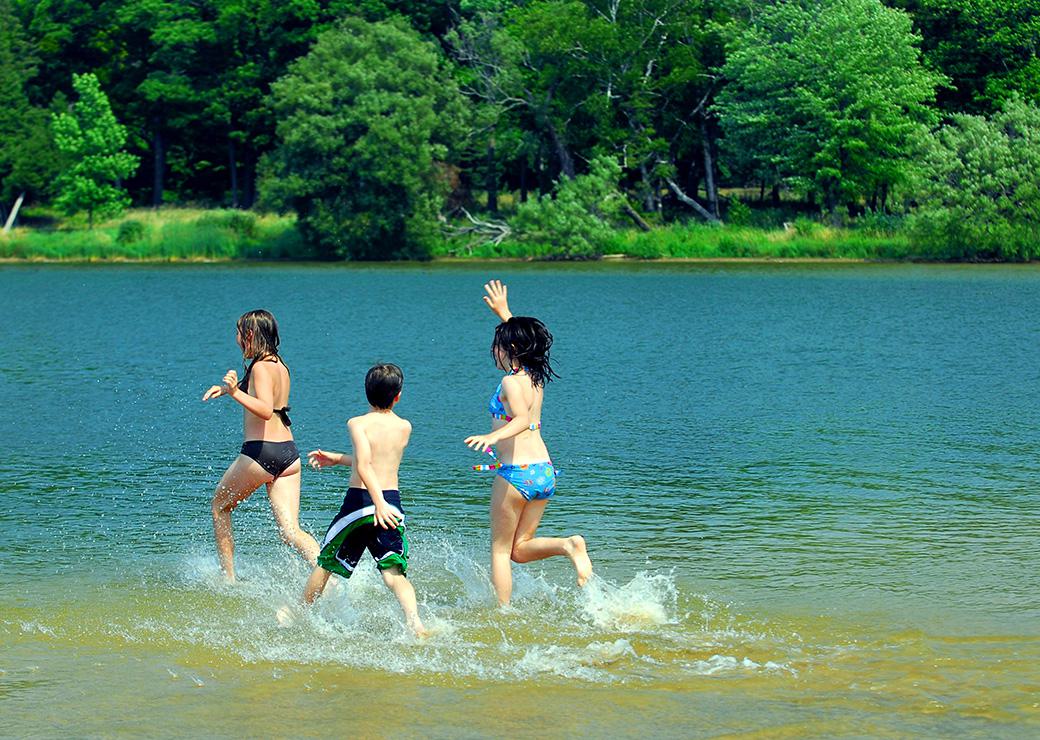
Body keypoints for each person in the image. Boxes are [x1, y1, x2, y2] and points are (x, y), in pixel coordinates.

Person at [465, 280, 593, 607]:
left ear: (510, 350)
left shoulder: (510, 381)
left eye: (497, 345)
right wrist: (504, 313)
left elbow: (520, 419)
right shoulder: (535, 375)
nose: (493, 350)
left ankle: (503, 613)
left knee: (499, 550)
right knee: (519, 549)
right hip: (543, 472)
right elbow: (526, 343)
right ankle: (568, 546)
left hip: (515, 474)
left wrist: (492, 437)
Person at [301, 363, 427, 636]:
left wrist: (376, 501)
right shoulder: (405, 426)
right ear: (398, 396)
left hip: (360, 502)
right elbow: (374, 460)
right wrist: (338, 458)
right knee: (394, 572)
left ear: (366, 393)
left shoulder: (357, 423)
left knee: (326, 564)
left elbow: (365, 466)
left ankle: (299, 612)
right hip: (391, 502)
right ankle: (415, 622)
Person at [202, 309, 319, 582]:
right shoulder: (279, 365)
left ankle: (228, 580)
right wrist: (232, 389)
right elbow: (269, 398)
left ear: (250, 335)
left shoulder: (260, 367)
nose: (237, 339)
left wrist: (233, 393)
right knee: (291, 531)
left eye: (239, 334)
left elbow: (265, 409)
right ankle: (327, 572)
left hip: (260, 454)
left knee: (220, 507)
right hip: (288, 455)